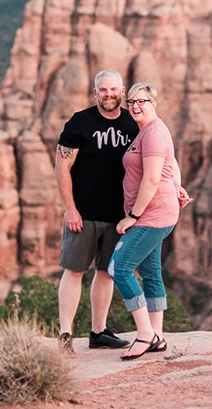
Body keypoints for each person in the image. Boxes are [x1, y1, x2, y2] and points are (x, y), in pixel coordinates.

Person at [54, 69, 138, 355]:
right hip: (84, 213)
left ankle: (98, 332)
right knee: (74, 271)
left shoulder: (132, 124)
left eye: (113, 90)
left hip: (119, 216)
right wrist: (70, 209)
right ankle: (65, 334)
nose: (109, 95)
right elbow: (62, 166)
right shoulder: (80, 123)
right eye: (103, 90)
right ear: (95, 93)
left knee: (107, 273)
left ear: (122, 92)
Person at [108, 81, 191, 360]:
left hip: (151, 215)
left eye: (142, 101)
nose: (135, 106)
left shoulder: (153, 132)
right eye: (131, 102)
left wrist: (132, 216)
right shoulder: (149, 131)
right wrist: (177, 185)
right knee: (152, 274)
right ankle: (158, 337)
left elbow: (153, 177)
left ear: (153, 104)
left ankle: (145, 334)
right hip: (157, 211)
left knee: (118, 268)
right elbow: (172, 163)